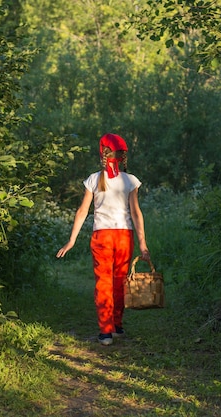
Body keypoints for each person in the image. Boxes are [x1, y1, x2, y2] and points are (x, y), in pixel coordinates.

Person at [56, 133, 150, 346]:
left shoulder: (93, 179)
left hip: (101, 237)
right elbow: (136, 213)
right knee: (119, 282)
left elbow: (82, 211)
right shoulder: (130, 180)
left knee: (103, 283)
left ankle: (106, 332)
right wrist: (143, 243)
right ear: (123, 155)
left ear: (102, 153)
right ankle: (117, 326)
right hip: (125, 236)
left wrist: (71, 240)